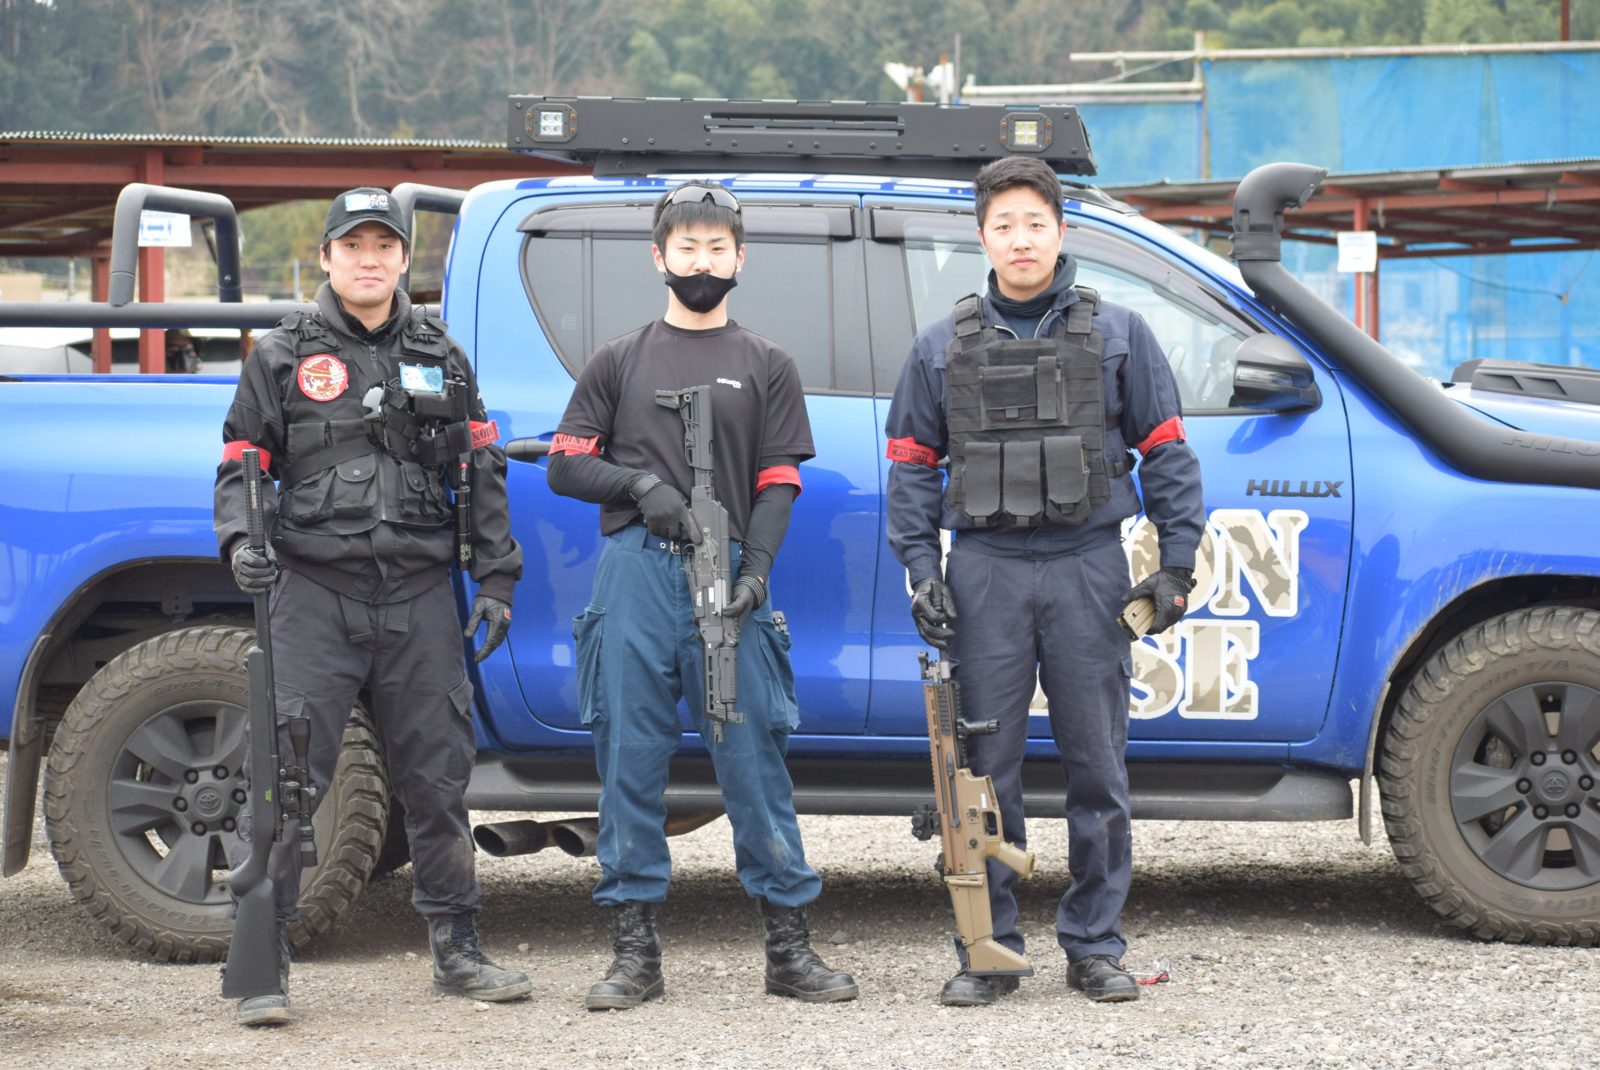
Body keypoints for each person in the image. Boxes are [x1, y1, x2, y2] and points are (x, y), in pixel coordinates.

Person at [883, 157, 1205, 1006]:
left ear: (1061, 232)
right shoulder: (938, 347)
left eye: (1035, 223)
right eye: (1004, 225)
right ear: (982, 237)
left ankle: (1095, 946)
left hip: (1088, 569)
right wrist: (922, 570)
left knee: (1098, 768)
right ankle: (987, 950)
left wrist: (1177, 564)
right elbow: (911, 469)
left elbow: (1167, 454)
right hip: (984, 573)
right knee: (982, 775)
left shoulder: (1123, 335)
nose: (1021, 240)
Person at [214, 187, 529, 1026]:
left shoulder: (440, 353)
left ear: (401, 259)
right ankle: (264, 961)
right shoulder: (281, 354)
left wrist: (497, 577)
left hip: (419, 595)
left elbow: (481, 468)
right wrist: (241, 542)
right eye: (352, 245)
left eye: (384, 245)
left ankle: (457, 949)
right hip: (313, 594)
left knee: (438, 778)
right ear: (326, 257)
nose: (369, 259)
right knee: (285, 781)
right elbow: (242, 464)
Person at [546, 180, 858, 1011]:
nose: (702, 262)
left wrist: (757, 572)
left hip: (731, 578)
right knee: (628, 760)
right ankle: (633, 956)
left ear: (740, 258)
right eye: (687, 247)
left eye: (717, 248)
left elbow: (778, 481)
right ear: (659, 257)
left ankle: (789, 950)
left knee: (754, 761)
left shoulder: (767, 363)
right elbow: (566, 462)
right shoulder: (619, 359)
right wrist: (640, 486)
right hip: (637, 574)